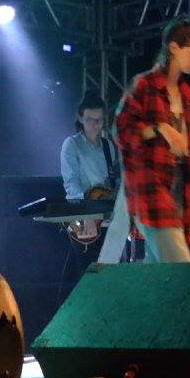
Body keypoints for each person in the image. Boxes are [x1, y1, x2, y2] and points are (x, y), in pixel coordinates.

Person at [115, 17, 190, 263]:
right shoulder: (144, 84)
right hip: (150, 187)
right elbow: (120, 130)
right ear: (174, 48)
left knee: (159, 272)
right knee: (179, 268)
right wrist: (160, 129)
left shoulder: (186, 93)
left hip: (178, 186)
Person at [59, 91, 130, 262]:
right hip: (82, 218)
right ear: (80, 118)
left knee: (111, 269)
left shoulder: (108, 146)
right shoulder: (71, 144)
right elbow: (71, 185)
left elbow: (110, 183)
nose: (94, 125)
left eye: (99, 120)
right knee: (88, 269)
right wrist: (87, 214)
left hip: (106, 218)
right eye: (89, 120)